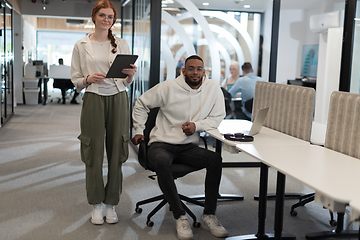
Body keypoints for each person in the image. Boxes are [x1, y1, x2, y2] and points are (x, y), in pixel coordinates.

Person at [131, 55, 228, 240]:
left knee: (215, 159)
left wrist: (196, 126)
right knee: (161, 161)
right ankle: (180, 215)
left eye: (199, 69)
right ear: (183, 71)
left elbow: (218, 116)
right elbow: (141, 104)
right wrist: (138, 129)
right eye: (191, 68)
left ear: (204, 71)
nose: (195, 72)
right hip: (161, 143)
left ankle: (209, 214)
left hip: (187, 147)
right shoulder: (168, 87)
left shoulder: (213, 88)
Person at [71, 0, 137, 225]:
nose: (107, 20)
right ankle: (96, 204)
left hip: (118, 97)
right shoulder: (81, 44)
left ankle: (111, 204)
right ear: (94, 17)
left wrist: (130, 75)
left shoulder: (122, 43)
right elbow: (76, 79)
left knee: (117, 150)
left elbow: (127, 81)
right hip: (93, 98)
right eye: (103, 15)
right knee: (93, 150)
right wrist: (88, 79)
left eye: (110, 16)